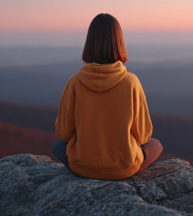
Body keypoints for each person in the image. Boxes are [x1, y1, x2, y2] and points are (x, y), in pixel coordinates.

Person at [52, 13, 163, 180]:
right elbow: (143, 135)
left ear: (89, 42)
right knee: (156, 145)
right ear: (119, 42)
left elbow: (64, 133)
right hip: (124, 168)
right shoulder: (131, 82)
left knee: (59, 146)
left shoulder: (74, 82)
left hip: (82, 166)